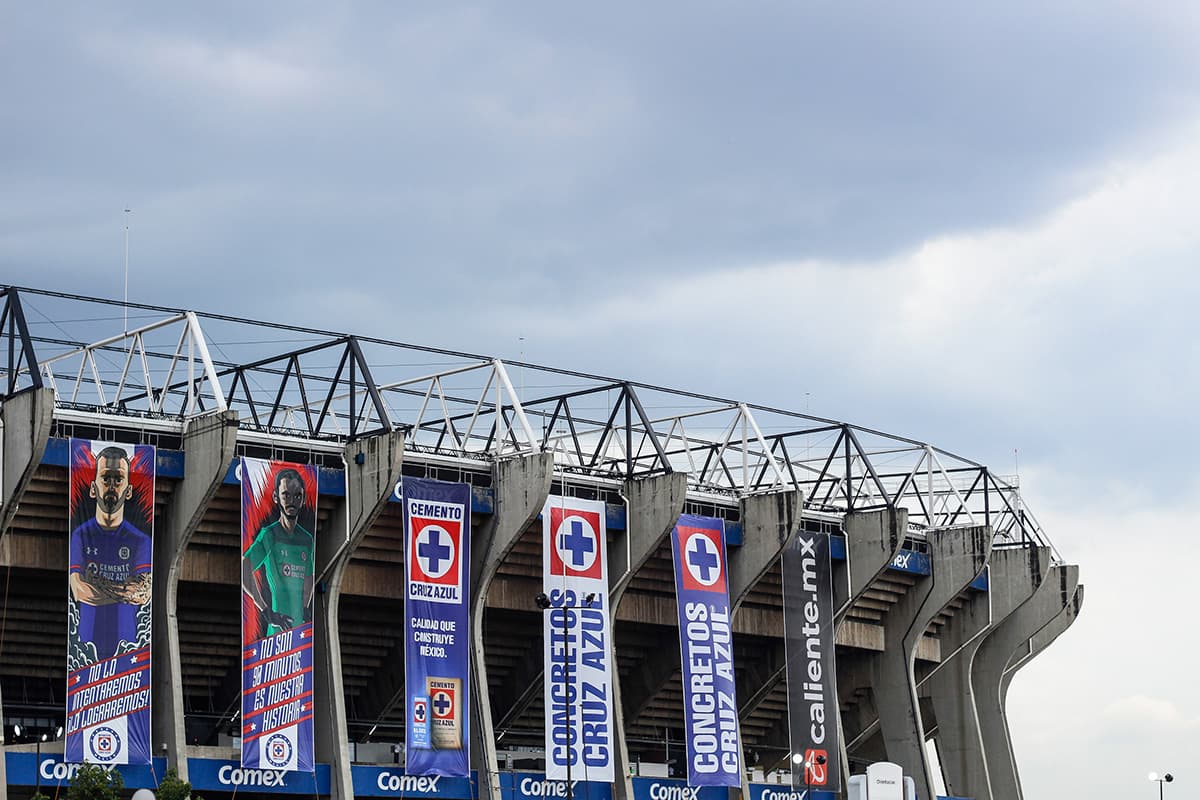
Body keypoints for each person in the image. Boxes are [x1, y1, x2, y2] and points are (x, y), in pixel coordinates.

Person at [69, 445, 153, 661]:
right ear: (93, 488)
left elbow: (142, 594)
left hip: (128, 650)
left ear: (129, 489)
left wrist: (97, 585)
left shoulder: (140, 541)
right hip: (86, 652)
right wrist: (125, 592)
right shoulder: (80, 535)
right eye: (106, 479)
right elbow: (78, 590)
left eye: (119, 480)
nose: (112, 486)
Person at [242, 468, 315, 637]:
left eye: (297, 496)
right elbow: (245, 565)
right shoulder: (269, 535)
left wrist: (305, 606)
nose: (292, 501)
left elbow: (309, 576)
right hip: (277, 634)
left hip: (300, 633)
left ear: (303, 499)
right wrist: (266, 610)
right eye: (286, 495)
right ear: (276, 497)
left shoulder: (307, 539)